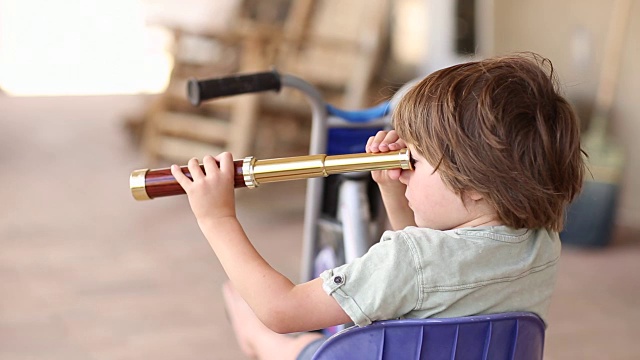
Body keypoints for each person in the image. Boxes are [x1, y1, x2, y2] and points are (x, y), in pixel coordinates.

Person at [170, 52, 585, 359]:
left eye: (415, 160)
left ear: (475, 185)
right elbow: (435, 272)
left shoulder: (409, 260)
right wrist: (392, 191)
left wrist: (217, 216)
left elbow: (281, 309)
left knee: (255, 319)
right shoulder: (541, 244)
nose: (403, 165)